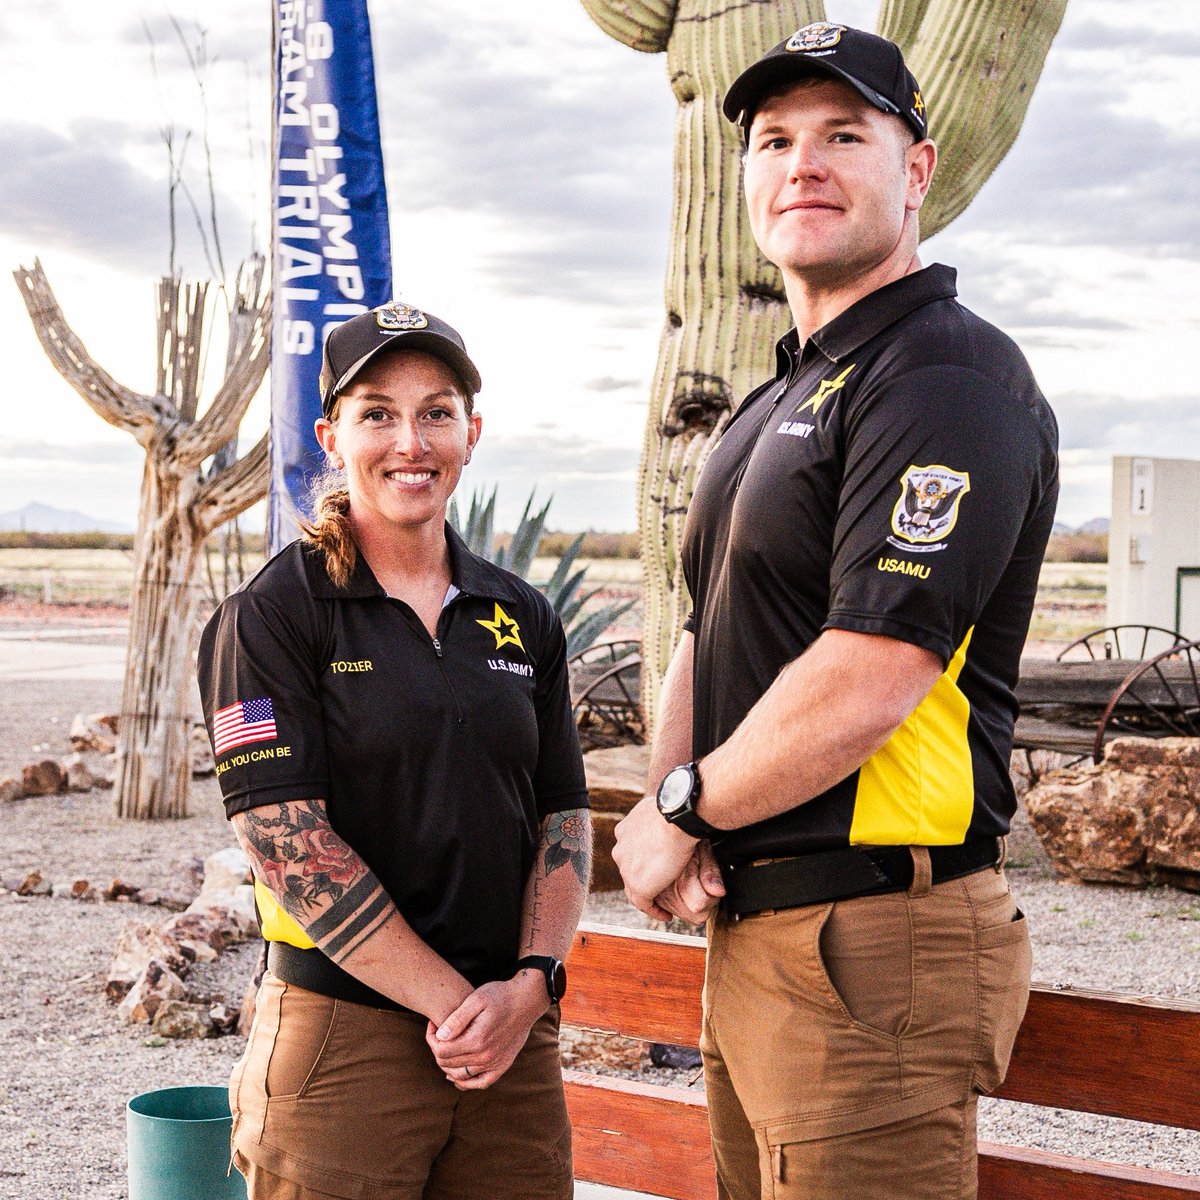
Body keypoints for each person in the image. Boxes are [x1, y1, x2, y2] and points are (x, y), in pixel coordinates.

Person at [613, 23, 1058, 1200]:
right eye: (774, 139)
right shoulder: (779, 394)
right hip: (759, 933)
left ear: (915, 173)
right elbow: (707, 627)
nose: (802, 162)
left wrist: (685, 806)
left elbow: (873, 668)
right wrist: (680, 819)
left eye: (844, 135)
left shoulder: (947, 378)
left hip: (874, 939)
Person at [198, 301, 591, 1200]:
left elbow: (563, 815)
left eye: (436, 411)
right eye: (378, 412)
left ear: (471, 432)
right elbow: (284, 840)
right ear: (333, 436)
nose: (410, 440)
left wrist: (531, 985)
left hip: (510, 1044)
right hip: (347, 1043)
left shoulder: (521, 613)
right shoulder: (273, 615)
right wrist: (460, 1008)